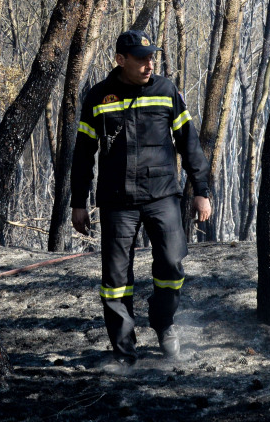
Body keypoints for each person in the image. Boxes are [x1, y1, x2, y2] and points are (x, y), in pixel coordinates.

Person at [70, 29, 212, 375]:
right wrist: (78, 201)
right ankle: (124, 352)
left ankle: (164, 325)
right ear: (121, 60)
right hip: (117, 200)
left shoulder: (166, 92)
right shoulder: (99, 97)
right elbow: (83, 153)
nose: (150, 64)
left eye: (152, 57)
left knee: (172, 264)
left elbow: (189, 144)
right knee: (116, 278)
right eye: (142, 58)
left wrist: (201, 190)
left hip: (162, 195)